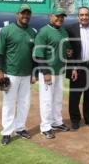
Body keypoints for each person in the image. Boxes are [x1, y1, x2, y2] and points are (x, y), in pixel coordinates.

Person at [0, 4, 37, 145]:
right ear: (17, 14)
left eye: (28, 13)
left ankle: (20, 128)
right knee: (9, 103)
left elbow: (34, 55)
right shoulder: (7, 30)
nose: (26, 16)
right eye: (23, 13)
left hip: (26, 74)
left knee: (25, 102)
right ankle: (6, 132)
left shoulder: (32, 32)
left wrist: (33, 73)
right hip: (11, 73)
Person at [33, 8, 72, 139]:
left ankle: (57, 122)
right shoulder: (44, 32)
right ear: (51, 16)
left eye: (62, 17)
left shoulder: (63, 32)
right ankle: (45, 127)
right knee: (46, 100)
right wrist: (45, 72)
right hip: (48, 72)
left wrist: (69, 52)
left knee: (57, 99)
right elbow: (39, 55)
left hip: (60, 71)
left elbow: (68, 49)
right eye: (57, 16)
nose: (60, 19)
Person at [65, 6, 89, 130]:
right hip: (77, 67)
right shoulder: (70, 29)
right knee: (75, 95)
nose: (84, 17)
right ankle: (75, 119)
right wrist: (72, 68)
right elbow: (68, 51)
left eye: (86, 15)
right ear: (78, 16)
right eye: (82, 15)